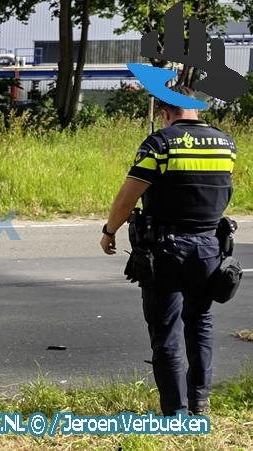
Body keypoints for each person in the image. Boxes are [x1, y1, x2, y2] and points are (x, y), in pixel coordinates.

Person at [100, 86, 236, 416]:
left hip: (166, 250)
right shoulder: (225, 144)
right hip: (210, 248)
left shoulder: (160, 143)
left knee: (166, 332)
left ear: (165, 113)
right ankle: (199, 404)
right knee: (200, 324)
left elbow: (127, 198)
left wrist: (109, 231)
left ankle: (175, 413)